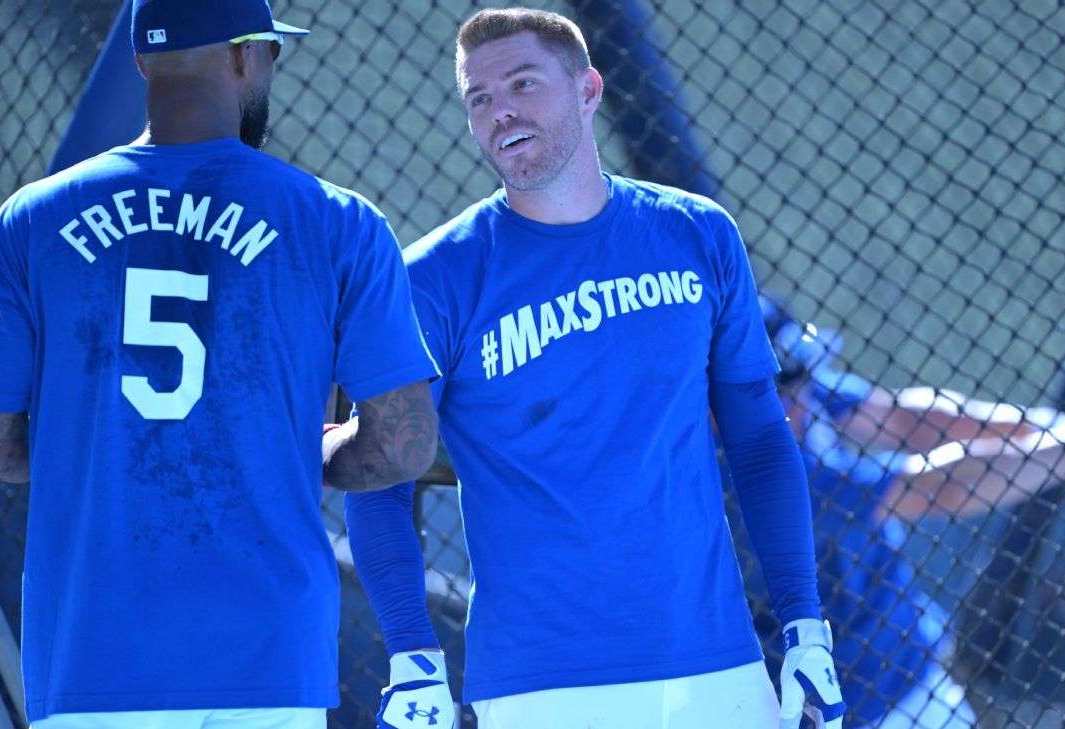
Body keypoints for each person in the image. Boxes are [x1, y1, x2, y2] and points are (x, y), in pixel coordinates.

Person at [0, 1, 440, 727]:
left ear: (142, 60)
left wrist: (92, 456)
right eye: (271, 53)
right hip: (271, 660)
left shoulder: (29, 220)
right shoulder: (339, 222)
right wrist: (305, 454)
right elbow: (404, 444)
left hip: (94, 657)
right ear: (243, 55)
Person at [343, 8, 844, 729]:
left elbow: (760, 438)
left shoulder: (698, 233)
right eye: (479, 98)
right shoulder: (431, 280)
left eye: (523, 83)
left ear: (587, 90)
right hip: (541, 686)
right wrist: (412, 656)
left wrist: (804, 627)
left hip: (721, 669)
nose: (500, 110)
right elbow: (381, 475)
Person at [752, 291, 1065, 727]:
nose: (801, 397)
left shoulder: (796, 394)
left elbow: (905, 419)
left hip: (912, 683)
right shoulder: (749, 475)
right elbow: (935, 488)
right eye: (783, 389)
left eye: (798, 381)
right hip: (843, 709)